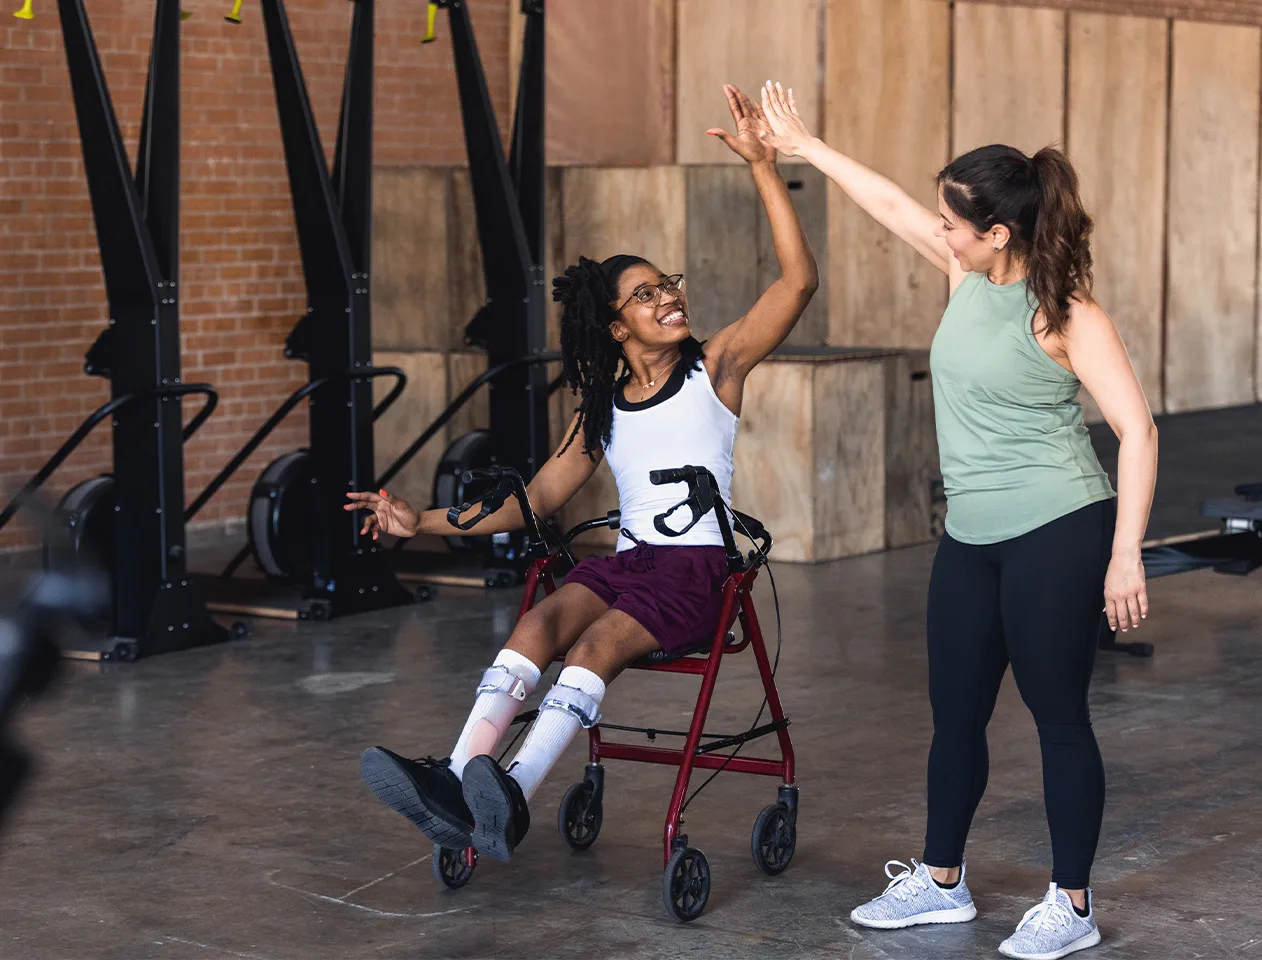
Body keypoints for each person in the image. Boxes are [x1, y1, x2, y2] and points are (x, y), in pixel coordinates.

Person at [346, 85, 817, 865]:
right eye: (645, 295)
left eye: (666, 284)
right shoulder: (600, 408)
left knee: (592, 646)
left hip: (697, 572)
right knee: (536, 626)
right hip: (630, 565)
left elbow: (796, 281)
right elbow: (535, 501)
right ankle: (460, 782)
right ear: (615, 327)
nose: (667, 297)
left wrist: (764, 167)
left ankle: (514, 796)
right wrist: (420, 521)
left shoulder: (717, 368)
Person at [754, 82, 1157, 959]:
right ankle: (941, 884)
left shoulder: (1067, 314)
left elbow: (1136, 429)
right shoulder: (962, 274)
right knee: (956, 717)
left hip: (1059, 526)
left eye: (952, 221)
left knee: (1059, 717)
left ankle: (1073, 903)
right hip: (970, 536)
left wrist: (1125, 554)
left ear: (998, 235)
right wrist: (805, 146)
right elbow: (892, 204)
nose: (938, 230)